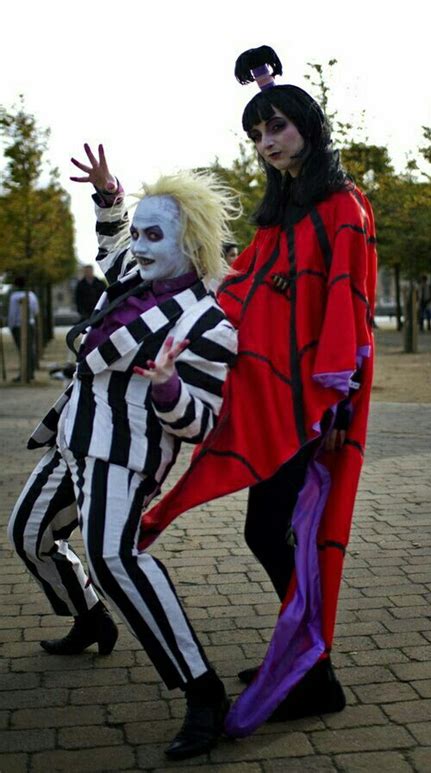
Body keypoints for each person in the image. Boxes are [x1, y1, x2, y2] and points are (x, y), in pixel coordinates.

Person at [139, 46, 377, 737]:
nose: (267, 143)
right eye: (256, 134)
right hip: (273, 398)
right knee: (275, 528)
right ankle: (307, 661)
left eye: (276, 127)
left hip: (314, 404)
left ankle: (316, 672)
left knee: (269, 528)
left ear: (307, 123)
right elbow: (242, 291)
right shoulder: (283, 214)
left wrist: (341, 406)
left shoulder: (342, 207)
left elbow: (351, 309)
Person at [8, 144, 239, 761]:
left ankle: (202, 690)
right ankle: (88, 617)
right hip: (71, 435)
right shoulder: (136, 276)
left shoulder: (208, 321)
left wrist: (166, 386)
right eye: (138, 232)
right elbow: (114, 247)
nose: (138, 244)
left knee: (115, 558)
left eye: (153, 234)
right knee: (28, 534)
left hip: (124, 453)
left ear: (188, 243)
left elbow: (200, 422)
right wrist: (111, 198)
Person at [8, 276, 40, 381]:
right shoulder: (31, 295)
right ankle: (30, 372)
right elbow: (36, 311)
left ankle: (24, 373)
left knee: (22, 350)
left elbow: (12, 314)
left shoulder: (14, 297)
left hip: (17, 326)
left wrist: (11, 325)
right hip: (29, 324)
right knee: (29, 348)